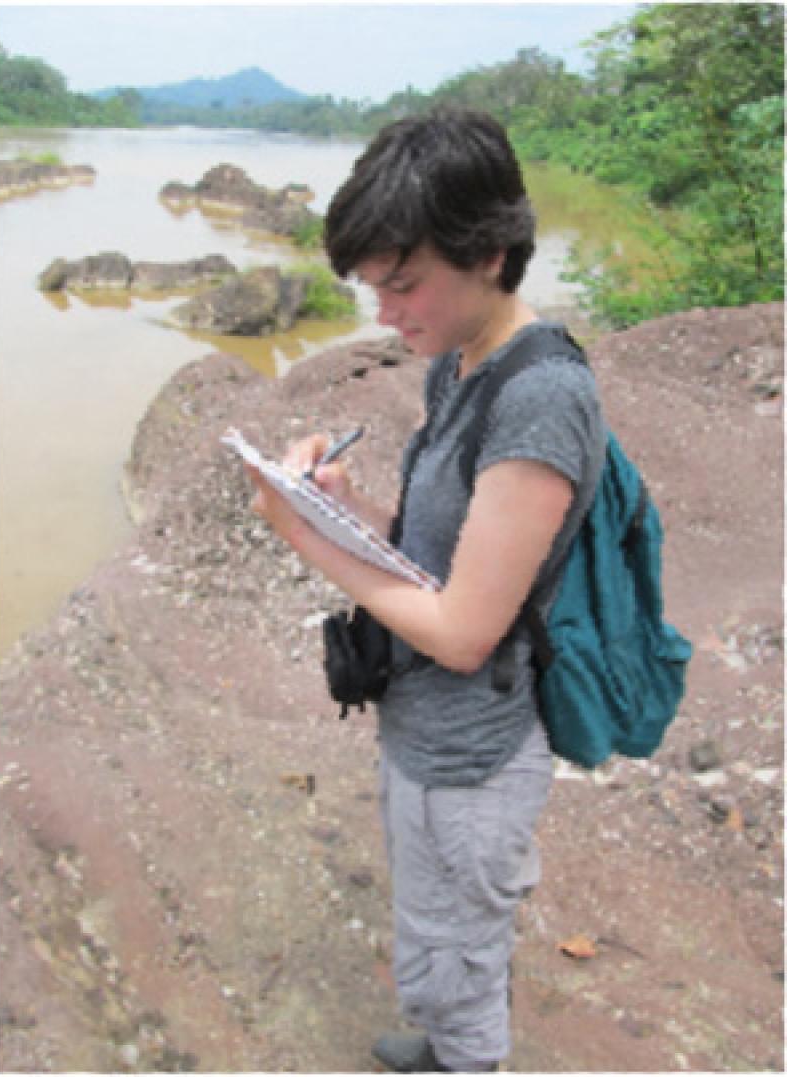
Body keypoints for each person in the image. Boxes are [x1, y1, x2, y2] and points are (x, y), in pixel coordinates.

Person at [245, 107, 606, 1072]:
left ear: (489, 251)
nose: (385, 313)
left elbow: (461, 630)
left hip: (477, 756)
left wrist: (301, 540)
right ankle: (442, 1042)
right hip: (425, 730)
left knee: (467, 949)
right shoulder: (463, 362)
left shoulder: (542, 400)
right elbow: (440, 553)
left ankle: (465, 1057)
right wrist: (343, 504)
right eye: (372, 288)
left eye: (401, 285)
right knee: (432, 925)